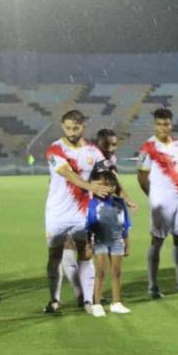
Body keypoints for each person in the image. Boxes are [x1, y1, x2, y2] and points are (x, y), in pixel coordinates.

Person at [43, 110, 111, 314]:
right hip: (57, 212)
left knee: (86, 252)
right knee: (54, 254)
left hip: (82, 212)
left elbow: (106, 173)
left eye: (75, 128)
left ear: (83, 126)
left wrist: (115, 193)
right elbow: (67, 173)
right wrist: (91, 187)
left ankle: (88, 300)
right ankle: (54, 299)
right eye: (67, 128)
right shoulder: (55, 149)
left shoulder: (93, 151)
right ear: (62, 126)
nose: (71, 132)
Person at [137, 107, 178, 298]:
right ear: (155, 125)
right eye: (159, 124)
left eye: (166, 124)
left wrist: (174, 186)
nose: (163, 127)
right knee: (157, 241)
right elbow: (142, 176)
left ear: (171, 125)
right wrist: (154, 196)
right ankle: (152, 286)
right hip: (160, 203)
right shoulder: (148, 147)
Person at [85, 169, 133, 316]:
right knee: (100, 272)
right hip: (101, 240)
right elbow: (89, 225)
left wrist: (126, 241)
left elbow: (125, 223)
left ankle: (116, 303)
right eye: (105, 185)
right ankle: (97, 304)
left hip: (117, 240)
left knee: (117, 272)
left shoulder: (120, 203)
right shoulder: (93, 203)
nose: (109, 188)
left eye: (112, 185)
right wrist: (88, 244)